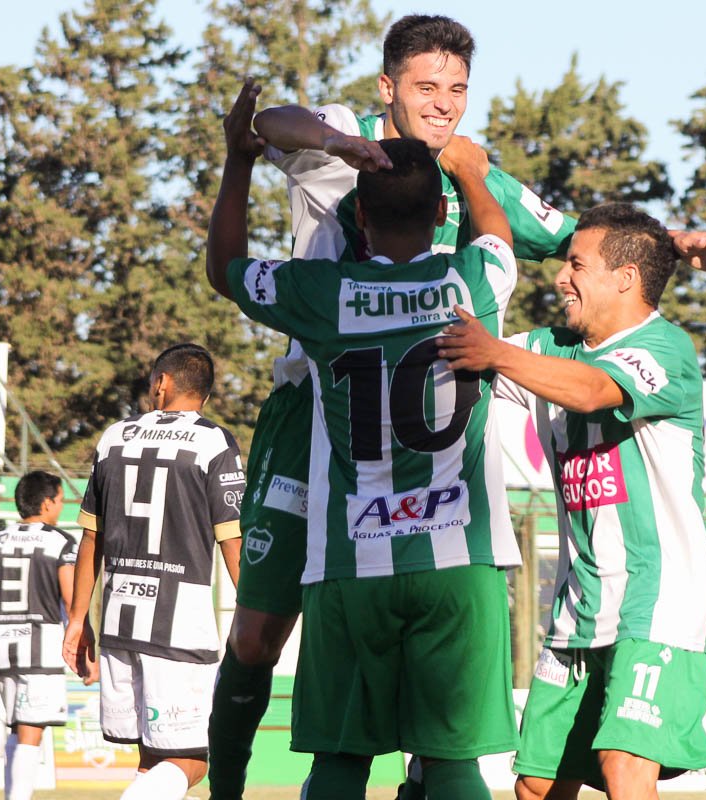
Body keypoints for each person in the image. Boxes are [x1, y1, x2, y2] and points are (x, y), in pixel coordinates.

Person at [208, 14, 706, 798]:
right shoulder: (345, 133)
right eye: (427, 86)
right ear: (387, 88)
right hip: (308, 407)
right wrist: (344, 146)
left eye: (457, 89)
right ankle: (227, 782)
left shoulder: (473, 170)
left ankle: (422, 777)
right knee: (256, 635)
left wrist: (668, 239)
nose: (444, 103)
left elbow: (580, 236)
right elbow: (273, 122)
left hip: (413, 436)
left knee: (397, 693)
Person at [209, 76, 520, 799]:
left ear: (360, 219)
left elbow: (224, 271)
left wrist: (238, 161)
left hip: (351, 560)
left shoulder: (324, 293)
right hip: (458, 564)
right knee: (453, 765)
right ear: (440, 214)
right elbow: (498, 237)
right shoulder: (475, 282)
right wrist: (472, 175)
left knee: (341, 763)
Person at [436, 202, 706, 800]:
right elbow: (459, 351)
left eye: (576, 265)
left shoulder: (665, 348)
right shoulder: (552, 346)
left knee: (624, 765)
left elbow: (593, 390)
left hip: (658, 598)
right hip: (582, 601)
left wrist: (496, 353)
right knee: (537, 785)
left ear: (626, 278)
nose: (561, 277)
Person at [62, 344, 244, 800]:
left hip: (119, 620)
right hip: (178, 627)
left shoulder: (114, 437)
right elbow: (233, 539)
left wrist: (78, 618)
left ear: (162, 383)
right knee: (191, 761)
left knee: (151, 758)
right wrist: (255, 614)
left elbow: (91, 537)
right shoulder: (213, 441)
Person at [0, 471, 77, 800]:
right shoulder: (60, 541)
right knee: (32, 732)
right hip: (40, 646)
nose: (61, 507)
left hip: (1, 645)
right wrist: (83, 646)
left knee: (17, 727)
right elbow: (70, 600)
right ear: (47, 503)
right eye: (60, 501)